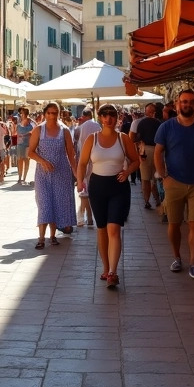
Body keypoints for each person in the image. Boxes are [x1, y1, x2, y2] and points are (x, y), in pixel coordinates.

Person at [154, 89, 194, 278]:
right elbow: (158, 153)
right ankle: (177, 257)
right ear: (177, 103)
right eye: (184, 101)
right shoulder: (166, 127)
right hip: (174, 182)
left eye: (191, 102)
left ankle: (193, 263)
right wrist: (164, 177)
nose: (187, 104)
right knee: (174, 224)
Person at [76, 104, 140, 289]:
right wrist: (80, 181)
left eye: (112, 115)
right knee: (102, 228)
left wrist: (127, 171)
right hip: (97, 186)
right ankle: (105, 268)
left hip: (118, 187)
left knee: (114, 229)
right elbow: (82, 163)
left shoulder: (123, 138)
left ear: (117, 117)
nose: (108, 119)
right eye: (105, 115)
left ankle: (113, 271)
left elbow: (136, 160)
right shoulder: (92, 138)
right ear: (100, 117)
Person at [29, 101, 78, 248]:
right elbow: (30, 152)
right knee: (44, 203)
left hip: (61, 172)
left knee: (58, 203)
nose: (52, 115)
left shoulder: (65, 131)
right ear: (44, 114)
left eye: (55, 113)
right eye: (49, 113)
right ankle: (41, 238)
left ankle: (53, 236)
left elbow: (71, 154)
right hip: (43, 174)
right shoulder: (38, 130)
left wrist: (76, 174)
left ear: (59, 114)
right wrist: (42, 161)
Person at [134, 102, 163, 211]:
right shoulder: (159, 123)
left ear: (146, 112)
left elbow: (138, 140)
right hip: (157, 150)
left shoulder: (141, 123)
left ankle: (147, 201)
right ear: (154, 112)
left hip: (145, 149)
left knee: (145, 178)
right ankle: (157, 199)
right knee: (156, 176)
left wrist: (139, 154)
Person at [14, 107, 35, 185]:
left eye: (21, 113)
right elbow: (16, 132)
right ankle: (19, 177)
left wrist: (28, 134)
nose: (20, 114)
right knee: (19, 160)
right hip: (20, 143)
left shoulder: (31, 122)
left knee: (26, 160)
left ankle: (24, 178)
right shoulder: (20, 122)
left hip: (27, 144)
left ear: (25, 113)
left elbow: (35, 130)